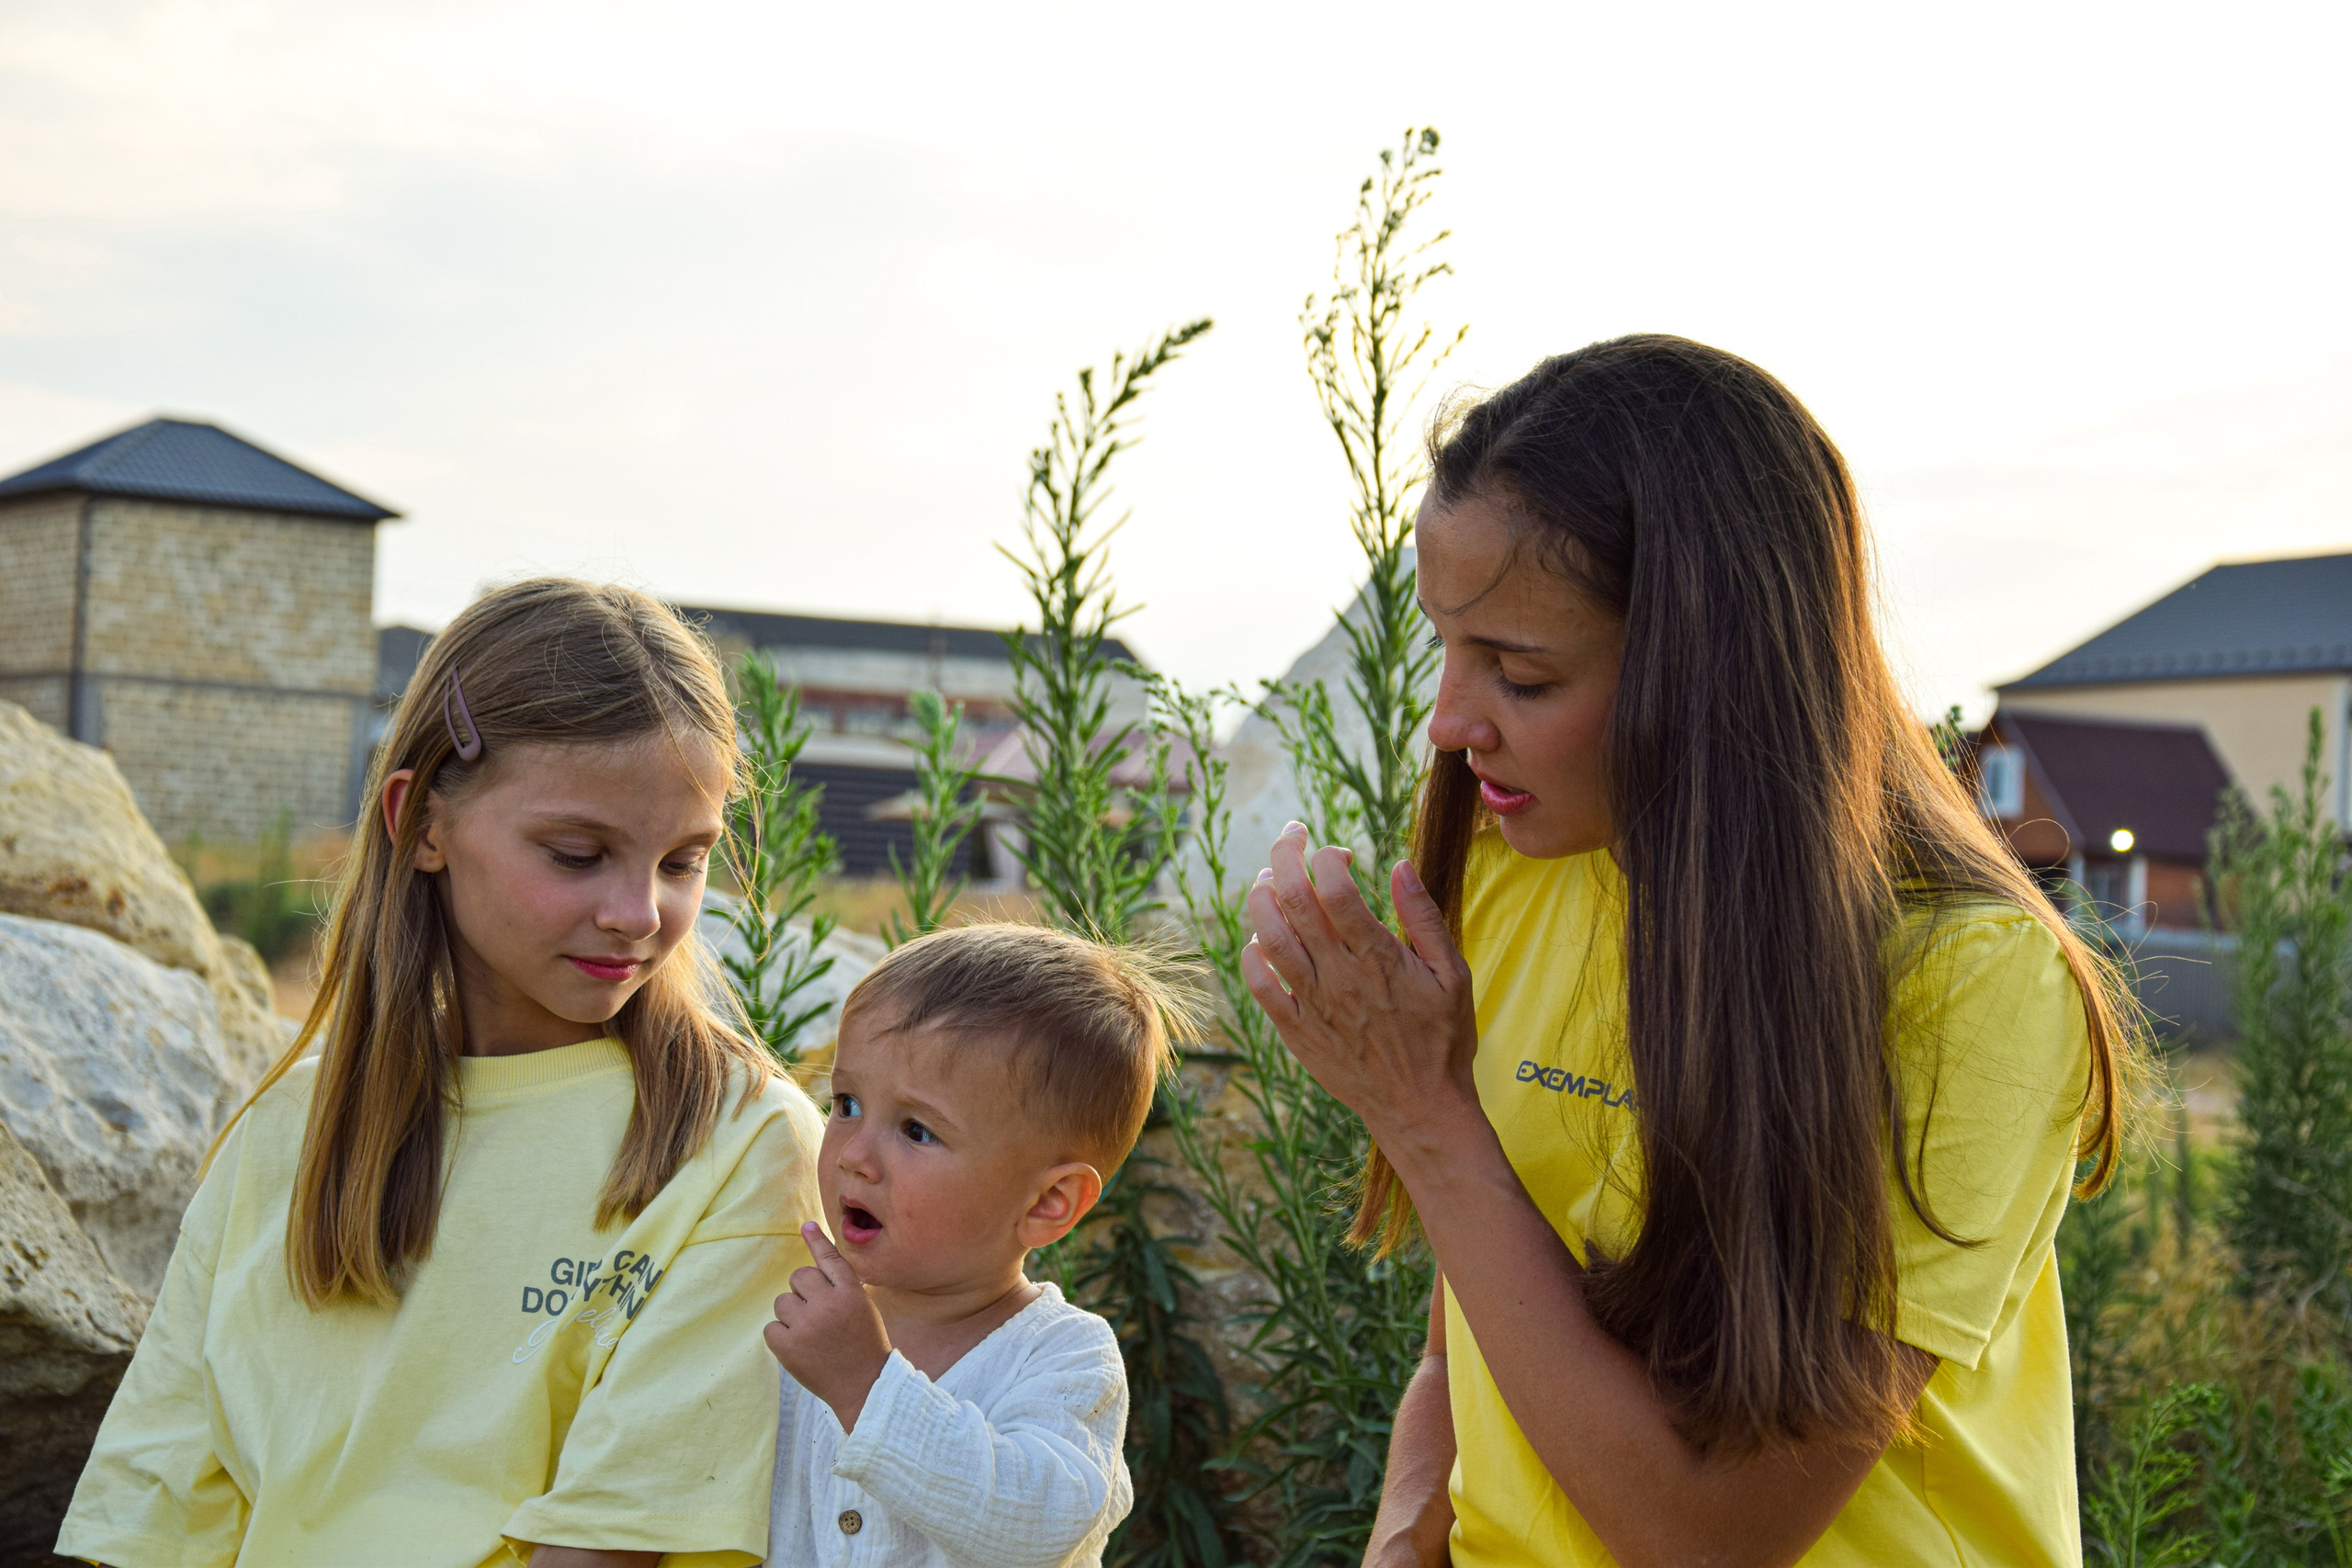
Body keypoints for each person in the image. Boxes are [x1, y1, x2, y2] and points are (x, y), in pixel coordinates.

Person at [1240, 336, 2139, 1568]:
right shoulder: (1517, 868)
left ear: (1707, 668)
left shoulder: (1970, 980)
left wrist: (1420, 1112)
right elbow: (1477, 1331)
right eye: (1449, 646)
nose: (1452, 722)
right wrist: (1406, 1526)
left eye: (1519, 668)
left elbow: (1709, 1531)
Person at [59, 578, 826, 1568]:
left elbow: (613, 1543)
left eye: (683, 862)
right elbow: (147, 1522)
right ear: (421, 823)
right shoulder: (279, 1138)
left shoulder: (740, 1145)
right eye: (576, 853)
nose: (639, 911)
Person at [763, 922, 1186, 1566]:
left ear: (1048, 1203)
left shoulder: (1064, 1358)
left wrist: (867, 1387)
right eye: (846, 1102)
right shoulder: (796, 1313)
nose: (854, 1154)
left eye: (916, 1129)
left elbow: (1033, 1525)